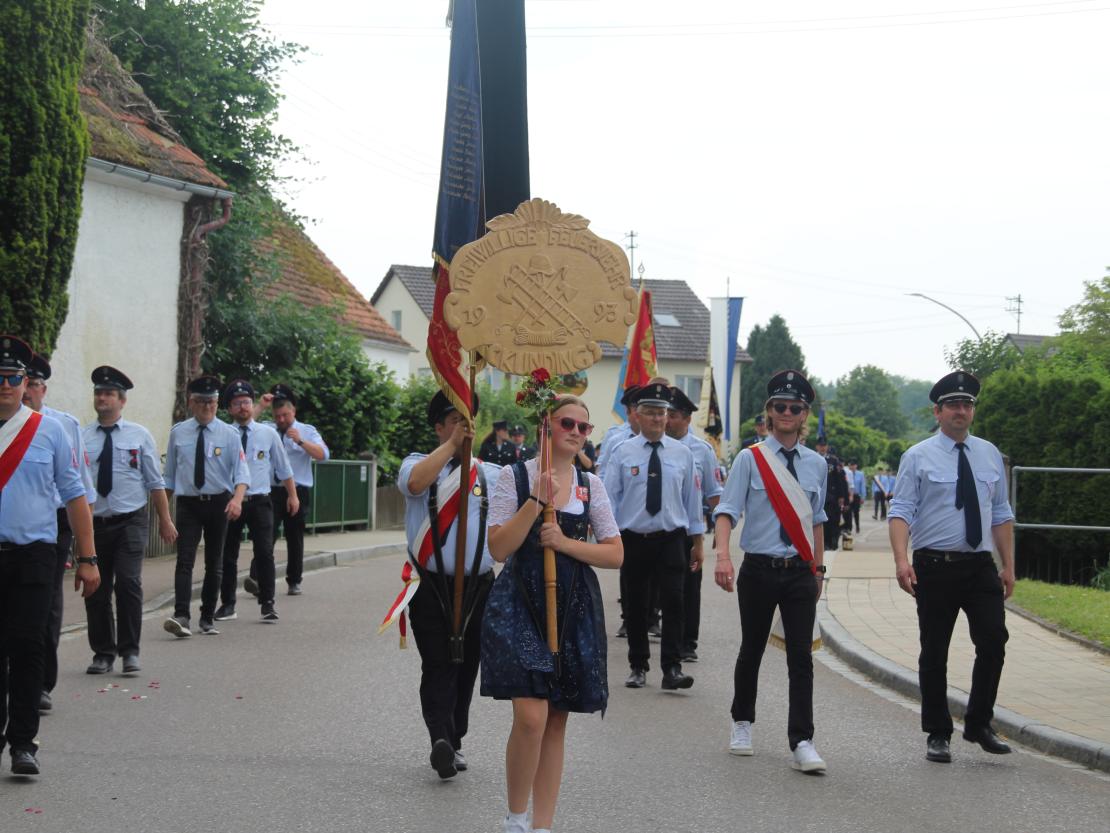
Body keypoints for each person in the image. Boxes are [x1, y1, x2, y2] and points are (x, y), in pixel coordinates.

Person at [482, 395, 622, 833]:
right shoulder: (514, 475)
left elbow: (615, 554)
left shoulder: (589, 484)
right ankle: (516, 817)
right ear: (546, 426)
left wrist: (564, 543)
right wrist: (534, 501)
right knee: (530, 715)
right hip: (522, 601)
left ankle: (542, 825)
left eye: (585, 427)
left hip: (573, 603)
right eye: (568, 424)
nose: (577, 433)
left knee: (557, 718)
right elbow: (499, 547)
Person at [889, 370, 1015, 764]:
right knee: (935, 651)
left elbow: (1001, 513)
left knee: (994, 639)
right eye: (953, 405)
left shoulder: (989, 453)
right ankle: (938, 732)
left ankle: (978, 723)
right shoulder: (918, 456)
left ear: (972, 411)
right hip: (935, 565)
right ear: (937, 412)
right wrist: (900, 560)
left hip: (979, 566)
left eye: (967, 405)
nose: (961, 411)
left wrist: (1008, 565)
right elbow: (901, 511)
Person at [712, 369, 829, 774]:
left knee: (802, 656)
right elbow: (726, 512)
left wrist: (819, 568)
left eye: (794, 408)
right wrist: (723, 557)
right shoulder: (751, 458)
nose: (786, 412)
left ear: (803, 415)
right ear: (769, 413)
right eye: (779, 406)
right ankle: (742, 722)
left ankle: (802, 740)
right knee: (752, 648)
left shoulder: (817, 464)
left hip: (799, 571)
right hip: (759, 568)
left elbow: (817, 521)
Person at [0, 335, 99, 776]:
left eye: (13, 377)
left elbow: (75, 495)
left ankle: (23, 744)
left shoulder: (51, 430)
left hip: (34, 554)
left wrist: (88, 558)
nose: (5, 385)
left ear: (26, 382)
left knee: (27, 648)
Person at [396, 391, 499, 779]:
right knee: (439, 662)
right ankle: (439, 737)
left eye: (468, 421)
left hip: (477, 586)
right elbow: (417, 484)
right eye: (454, 421)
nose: (463, 428)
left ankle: (455, 738)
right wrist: (453, 446)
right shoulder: (416, 464)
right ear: (439, 427)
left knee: (467, 663)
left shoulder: (489, 473)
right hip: (431, 584)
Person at [603, 381, 704, 691]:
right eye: (650, 413)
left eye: (662, 413)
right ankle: (638, 664)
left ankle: (671, 667)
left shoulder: (682, 453)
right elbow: (609, 499)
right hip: (634, 539)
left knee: (675, 602)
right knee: (636, 604)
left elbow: (692, 500)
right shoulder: (622, 452)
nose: (658, 419)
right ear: (637, 415)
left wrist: (698, 542)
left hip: (671, 538)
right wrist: (609, 539)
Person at [82, 366, 177, 675]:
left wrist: (165, 520)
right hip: (95, 524)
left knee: (128, 583)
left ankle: (130, 651)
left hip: (131, 522)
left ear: (121, 401)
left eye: (108, 393)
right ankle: (103, 653)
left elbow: (154, 482)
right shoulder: (83, 437)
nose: (102, 398)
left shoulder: (139, 435)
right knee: (95, 588)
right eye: (98, 393)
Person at [20, 352, 94, 711]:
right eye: (22, 383)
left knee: (45, 603)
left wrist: (87, 552)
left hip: (53, 524)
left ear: (42, 389)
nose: (26, 392)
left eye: (33, 385)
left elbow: (81, 490)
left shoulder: (62, 426)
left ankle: (40, 683)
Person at [162, 375, 249, 638]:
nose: (207, 407)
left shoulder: (229, 434)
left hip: (219, 502)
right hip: (189, 503)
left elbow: (242, 473)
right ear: (191, 403)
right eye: (201, 402)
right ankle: (182, 615)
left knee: (215, 561)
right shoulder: (179, 432)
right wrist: (163, 513)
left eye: (211, 402)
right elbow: (168, 476)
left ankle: (207, 616)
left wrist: (236, 499)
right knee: (185, 560)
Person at [216, 380, 298, 623]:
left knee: (264, 552)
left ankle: (268, 603)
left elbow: (284, 468)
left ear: (253, 405)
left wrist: (292, 495)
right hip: (231, 501)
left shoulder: (268, 433)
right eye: (237, 403)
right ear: (229, 409)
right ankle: (228, 604)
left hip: (261, 500)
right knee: (228, 554)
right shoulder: (223, 434)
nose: (243, 407)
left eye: (246, 402)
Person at [251, 384, 328, 596]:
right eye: (277, 416)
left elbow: (323, 455)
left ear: (293, 410)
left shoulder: (307, 431)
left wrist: (301, 442)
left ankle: (294, 581)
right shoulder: (266, 429)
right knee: (265, 535)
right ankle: (256, 578)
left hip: (298, 490)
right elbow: (245, 426)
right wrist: (260, 406)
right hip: (272, 491)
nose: (281, 420)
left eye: (285, 415)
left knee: (295, 538)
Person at [665, 386, 723, 663]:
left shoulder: (702, 451)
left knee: (689, 588)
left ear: (687, 419)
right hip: (660, 528)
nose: (667, 420)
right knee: (663, 589)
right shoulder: (652, 445)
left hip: (689, 529)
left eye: (673, 415)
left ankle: (688, 642)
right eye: (665, 414)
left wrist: (721, 531)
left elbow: (713, 493)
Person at [594, 385, 640, 479]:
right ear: (627, 410)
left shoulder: (656, 437)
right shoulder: (614, 436)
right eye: (636, 408)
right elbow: (602, 471)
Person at [815, 435, 847, 552]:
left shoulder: (833, 461)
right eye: (820, 446)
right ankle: (820, 543)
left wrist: (841, 496)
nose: (822, 448)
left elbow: (839, 480)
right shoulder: (812, 458)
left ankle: (829, 542)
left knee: (831, 520)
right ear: (816, 446)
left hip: (831, 495)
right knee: (817, 520)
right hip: (816, 495)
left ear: (827, 447)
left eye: (824, 446)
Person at [847, 461, 865, 533]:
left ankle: (857, 526)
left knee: (856, 512)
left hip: (857, 495)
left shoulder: (860, 474)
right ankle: (850, 527)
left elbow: (862, 485)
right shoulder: (847, 473)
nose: (852, 467)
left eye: (853, 465)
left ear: (856, 466)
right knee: (849, 512)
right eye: (851, 465)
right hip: (849, 495)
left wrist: (863, 496)